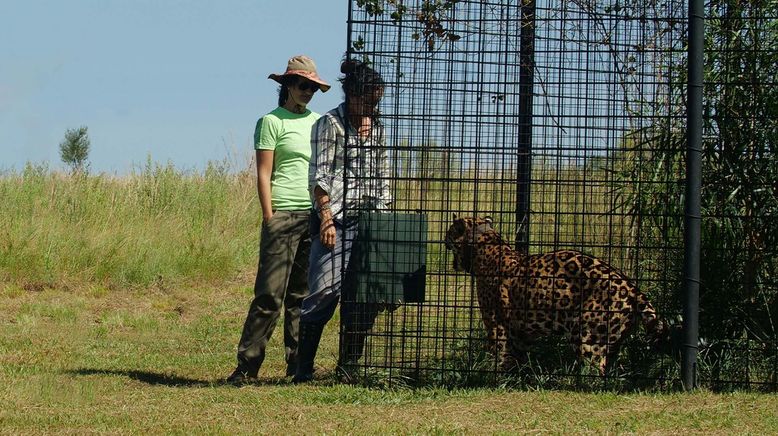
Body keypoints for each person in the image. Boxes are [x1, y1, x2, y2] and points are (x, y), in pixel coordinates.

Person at [227, 55, 331, 383]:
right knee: (269, 295)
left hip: (312, 217)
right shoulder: (271, 122)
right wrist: (269, 216)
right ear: (287, 85)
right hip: (282, 215)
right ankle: (247, 368)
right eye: (302, 85)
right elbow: (263, 173)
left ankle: (299, 367)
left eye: (312, 87)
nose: (307, 92)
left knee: (302, 297)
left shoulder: (319, 123)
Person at [293, 59, 391, 383]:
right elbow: (319, 175)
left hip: (371, 223)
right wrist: (326, 219)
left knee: (366, 296)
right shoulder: (329, 125)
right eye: (367, 101)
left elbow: (383, 177)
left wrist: (384, 223)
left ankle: (348, 368)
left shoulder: (377, 128)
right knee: (324, 291)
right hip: (336, 219)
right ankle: (302, 370)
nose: (371, 108)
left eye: (375, 103)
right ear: (352, 95)